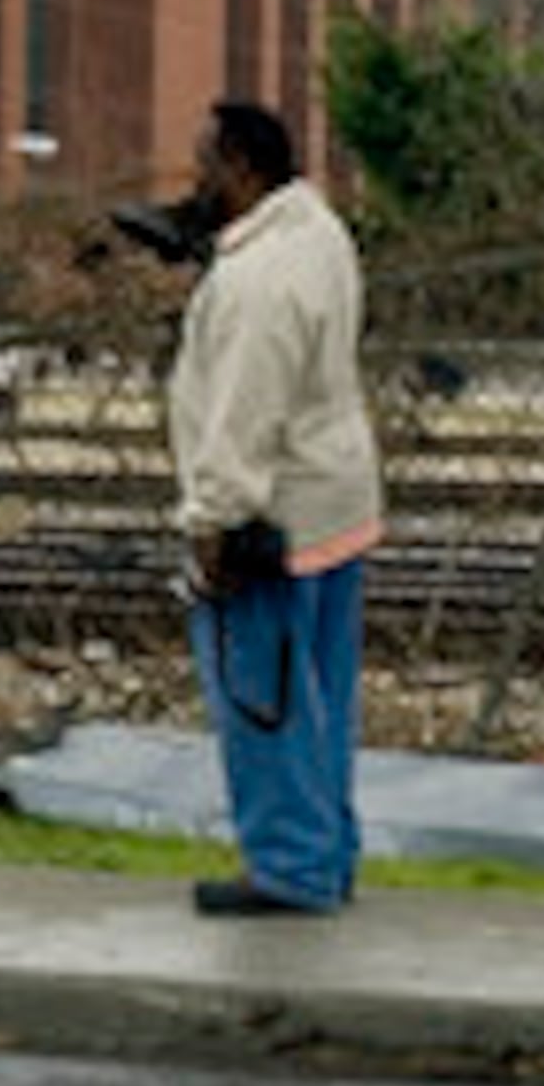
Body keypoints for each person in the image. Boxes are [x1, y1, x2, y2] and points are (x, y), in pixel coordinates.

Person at [166, 98, 383, 917]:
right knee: (323, 694)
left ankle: (291, 867)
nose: (198, 176)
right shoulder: (318, 236)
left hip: (274, 518)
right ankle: (329, 853)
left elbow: (242, 406)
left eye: (206, 161)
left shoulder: (256, 282)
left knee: (267, 698)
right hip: (336, 502)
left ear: (241, 169)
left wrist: (214, 519)